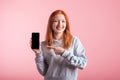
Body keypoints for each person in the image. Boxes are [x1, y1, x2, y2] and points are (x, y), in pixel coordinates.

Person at [30, 10, 87, 80]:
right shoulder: (44, 45)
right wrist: (38, 54)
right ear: (51, 23)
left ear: (66, 23)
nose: (60, 24)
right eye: (56, 21)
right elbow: (43, 72)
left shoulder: (74, 41)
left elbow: (83, 64)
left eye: (63, 21)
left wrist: (64, 53)